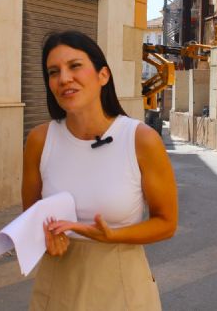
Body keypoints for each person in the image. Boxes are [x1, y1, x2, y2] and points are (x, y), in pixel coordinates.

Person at [22, 30, 178, 311]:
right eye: (53, 71)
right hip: (57, 287)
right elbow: (30, 218)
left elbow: (166, 223)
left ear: (103, 75)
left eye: (75, 66)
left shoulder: (140, 140)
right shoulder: (39, 140)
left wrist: (112, 236)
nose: (64, 78)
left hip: (122, 286)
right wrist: (45, 238)